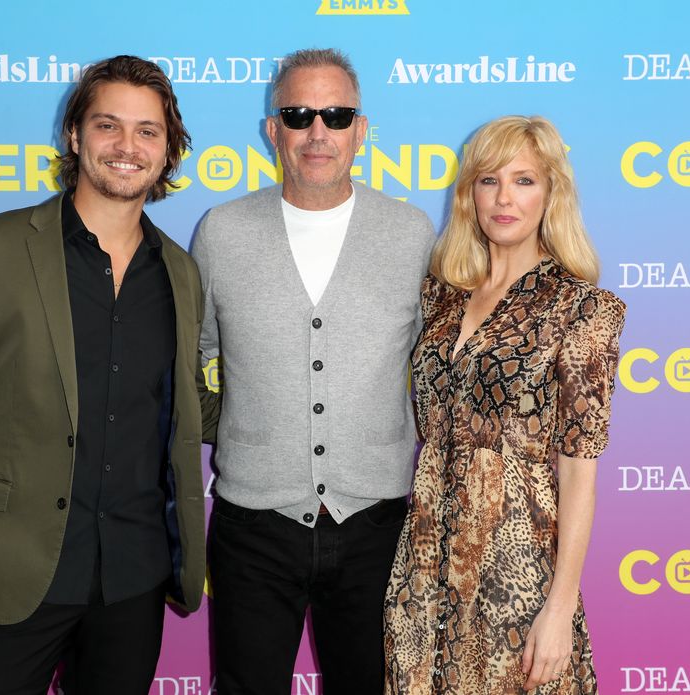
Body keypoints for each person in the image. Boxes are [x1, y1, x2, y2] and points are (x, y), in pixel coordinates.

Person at [0, 55, 217, 695]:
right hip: (4, 573)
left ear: (169, 148)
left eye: (148, 131)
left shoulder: (181, 273)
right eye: (108, 126)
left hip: (134, 575)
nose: (127, 147)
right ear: (74, 136)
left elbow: (187, 407)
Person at [192, 48, 436, 694]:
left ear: (361, 129)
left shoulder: (413, 234)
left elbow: (437, 364)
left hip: (376, 522)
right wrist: (242, 425)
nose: (318, 132)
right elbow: (192, 355)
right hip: (253, 524)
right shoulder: (221, 232)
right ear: (273, 130)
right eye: (299, 115)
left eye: (336, 114)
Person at [383, 115, 626, 694]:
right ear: (469, 194)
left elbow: (578, 471)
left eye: (524, 181)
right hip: (423, 563)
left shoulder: (582, 310)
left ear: (551, 194)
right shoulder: (440, 297)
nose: (504, 198)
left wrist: (560, 606)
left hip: (518, 570)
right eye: (488, 180)